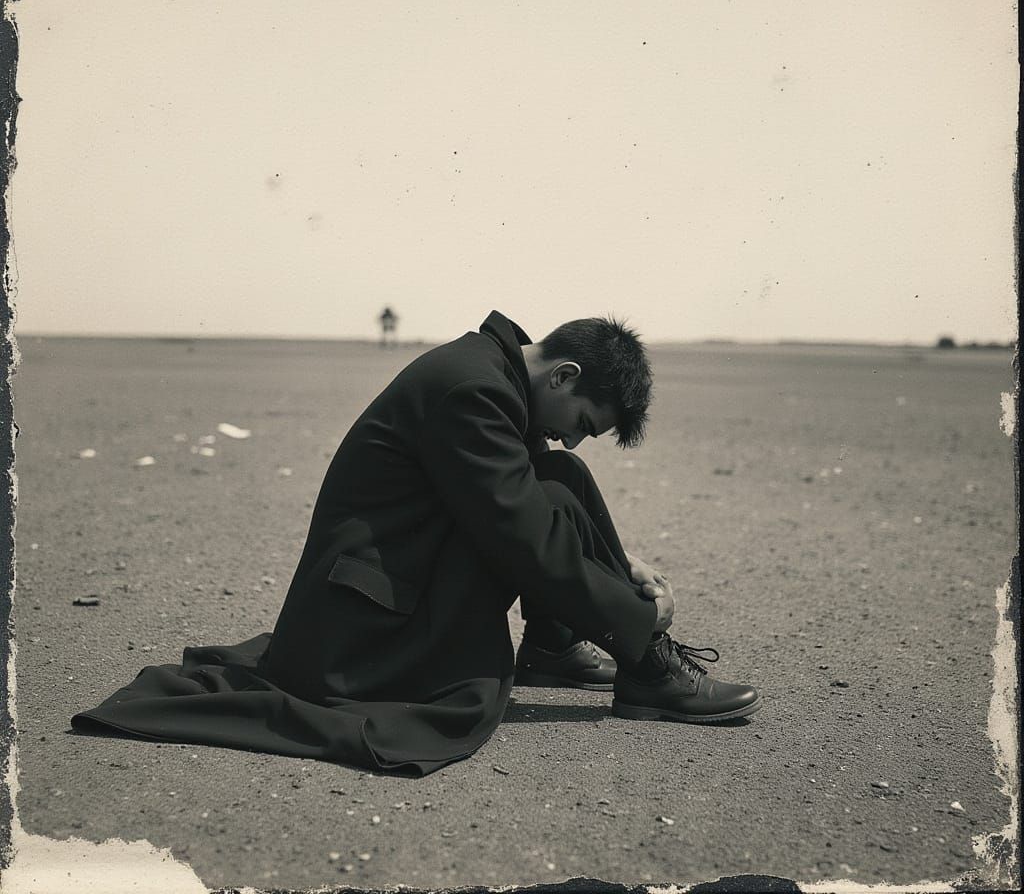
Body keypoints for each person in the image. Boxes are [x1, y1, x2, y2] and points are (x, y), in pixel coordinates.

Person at [72, 311, 760, 776]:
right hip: (362, 629)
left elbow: (531, 496)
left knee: (561, 475)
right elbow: (525, 538)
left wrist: (623, 564)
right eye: (582, 420)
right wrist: (638, 614)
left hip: (389, 579)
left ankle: (557, 648)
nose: (572, 434)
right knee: (550, 493)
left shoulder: (492, 376)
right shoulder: (474, 392)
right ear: (564, 375)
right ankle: (645, 663)